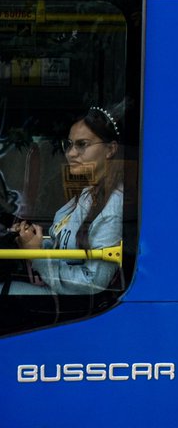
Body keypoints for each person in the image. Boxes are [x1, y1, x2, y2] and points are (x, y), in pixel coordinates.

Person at [9, 105, 123, 295]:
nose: (70, 153)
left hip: (75, 304)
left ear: (110, 149)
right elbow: (63, 247)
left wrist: (36, 255)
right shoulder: (87, 193)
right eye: (69, 144)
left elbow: (92, 283)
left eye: (82, 144)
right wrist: (33, 240)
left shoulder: (113, 206)